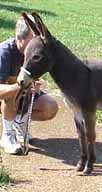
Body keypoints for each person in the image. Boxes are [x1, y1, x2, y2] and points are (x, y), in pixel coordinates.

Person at [0, 15, 58, 154]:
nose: (36, 44)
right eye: (33, 39)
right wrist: (21, 86)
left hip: (21, 98)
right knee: (12, 92)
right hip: (5, 98)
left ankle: (19, 122)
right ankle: (7, 136)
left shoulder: (33, 54)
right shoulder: (4, 53)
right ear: (20, 38)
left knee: (50, 107)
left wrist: (36, 86)